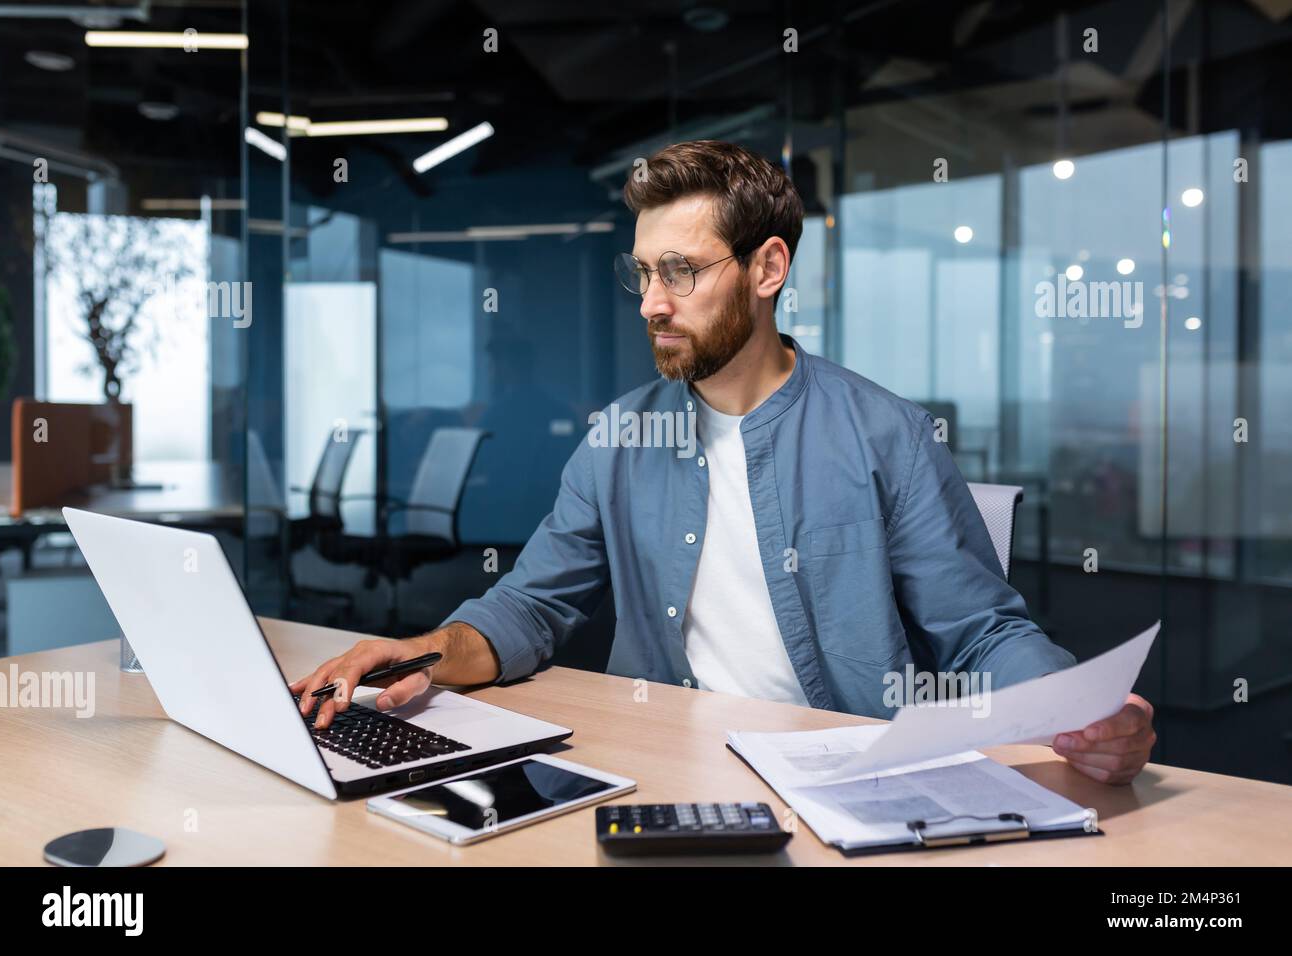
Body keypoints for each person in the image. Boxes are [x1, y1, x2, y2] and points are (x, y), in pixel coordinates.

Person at [291, 140, 1156, 785]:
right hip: (656, 767)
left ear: (767, 267)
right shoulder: (618, 438)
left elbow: (980, 631)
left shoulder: (886, 432)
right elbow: (531, 606)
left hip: (845, 778)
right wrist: (424, 652)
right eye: (642, 275)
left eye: (681, 272)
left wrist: (1079, 710)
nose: (653, 305)